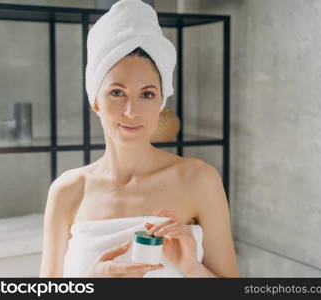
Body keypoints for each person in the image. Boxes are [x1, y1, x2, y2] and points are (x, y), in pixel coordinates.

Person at [39, 0, 239, 278]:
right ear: (95, 101)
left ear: (160, 102)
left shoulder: (199, 179)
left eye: (147, 94)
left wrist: (192, 268)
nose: (132, 112)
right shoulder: (68, 190)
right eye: (117, 92)